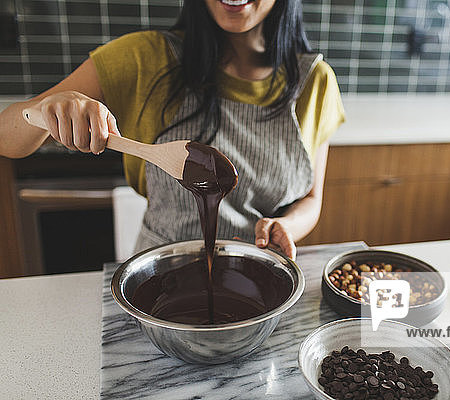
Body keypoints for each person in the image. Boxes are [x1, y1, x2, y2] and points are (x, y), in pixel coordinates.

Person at [0, 0, 344, 260]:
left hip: (260, 270)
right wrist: (42, 111)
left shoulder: (315, 81)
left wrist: (286, 227)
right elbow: (6, 136)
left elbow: (311, 199)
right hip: (161, 273)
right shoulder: (143, 57)